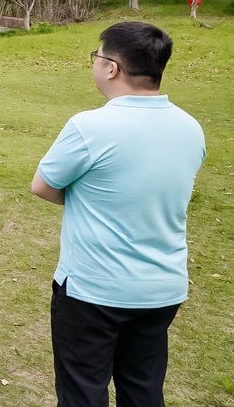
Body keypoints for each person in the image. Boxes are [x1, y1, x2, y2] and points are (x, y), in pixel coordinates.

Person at [30, 22, 205, 406]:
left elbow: (42, 186)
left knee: (83, 393)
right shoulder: (191, 128)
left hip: (94, 289)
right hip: (161, 289)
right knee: (143, 390)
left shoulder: (90, 126)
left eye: (97, 57)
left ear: (111, 67)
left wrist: (86, 199)